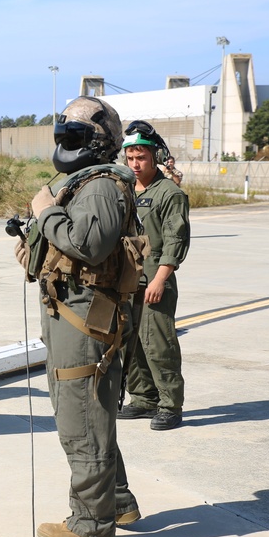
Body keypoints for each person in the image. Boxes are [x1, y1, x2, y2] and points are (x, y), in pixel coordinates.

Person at [13, 96, 145, 537]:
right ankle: (119, 501)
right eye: (64, 132)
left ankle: (91, 524)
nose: (67, 141)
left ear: (99, 141)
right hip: (72, 312)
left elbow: (88, 245)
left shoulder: (103, 186)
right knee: (93, 412)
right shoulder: (85, 183)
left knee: (81, 415)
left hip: (85, 316)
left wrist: (45, 211)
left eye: (76, 134)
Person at [118, 121, 191, 431]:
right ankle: (144, 399)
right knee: (129, 342)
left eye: (142, 158)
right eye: (131, 158)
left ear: (154, 157)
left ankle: (170, 405)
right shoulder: (122, 189)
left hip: (154, 277)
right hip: (126, 279)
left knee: (158, 343)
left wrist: (161, 278)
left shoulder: (169, 193)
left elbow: (177, 239)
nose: (135, 164)